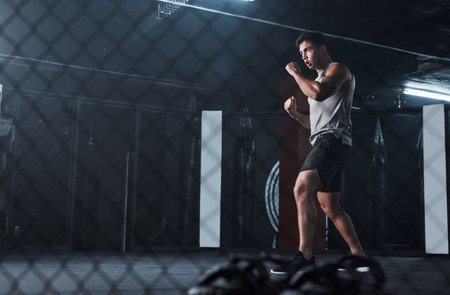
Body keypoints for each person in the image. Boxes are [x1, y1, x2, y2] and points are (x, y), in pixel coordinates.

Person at [271, 32, 365, 275]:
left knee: (301, 188)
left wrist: (294, 73)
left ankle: (304, 256)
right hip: (324, 140)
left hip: (332, 141)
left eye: (308, 50)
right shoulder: (317, 80)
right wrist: (293, 114)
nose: (304, 56)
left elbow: (318, 93)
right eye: (301, 53)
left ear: (323, 49)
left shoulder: (338, 70)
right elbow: (314, 125)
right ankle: (360, 257)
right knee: (329, 205)